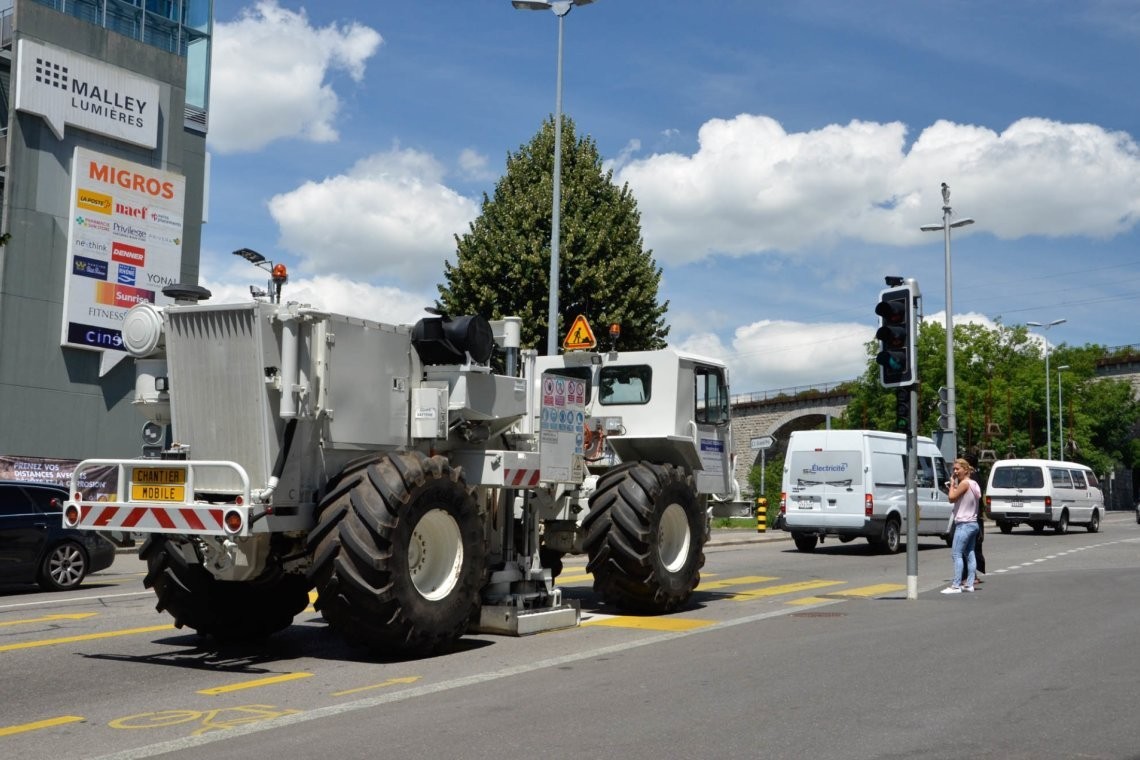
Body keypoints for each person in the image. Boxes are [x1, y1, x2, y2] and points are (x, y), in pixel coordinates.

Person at [942, 458, 982, 594]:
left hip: (964, 524)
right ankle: (969, 584)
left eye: (957, 469)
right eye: (954, 469)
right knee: (969, 553)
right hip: (973, 523)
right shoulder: (974, 483)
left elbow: (951, 498)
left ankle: (956, 585)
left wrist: (952, 484)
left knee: (956, 554)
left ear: (965, 469)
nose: (955, 471)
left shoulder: (964, 483)